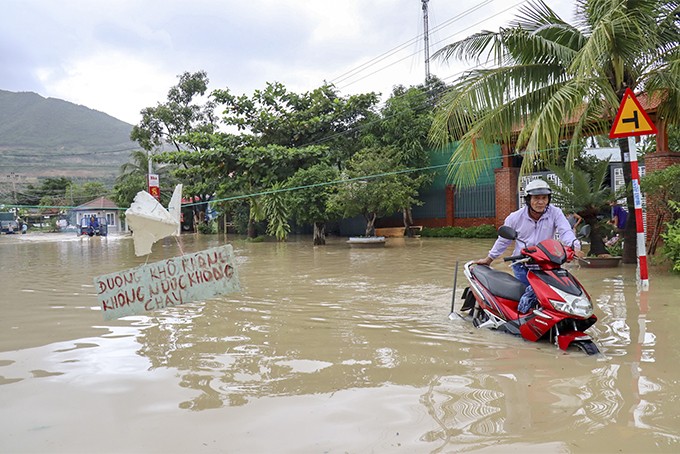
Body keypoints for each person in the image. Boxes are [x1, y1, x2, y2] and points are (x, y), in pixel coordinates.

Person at [474, 179, 584, 313]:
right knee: (531, 296)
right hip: (522, 263)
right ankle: (521, 319)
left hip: (547, 264)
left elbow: (565, 231)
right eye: (536, 198)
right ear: (528, 200)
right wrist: (488, 259)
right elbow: (503, 241)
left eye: (544, 198)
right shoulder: (515, 217)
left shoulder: (555, 213)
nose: (541, 202)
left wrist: (574, 247)